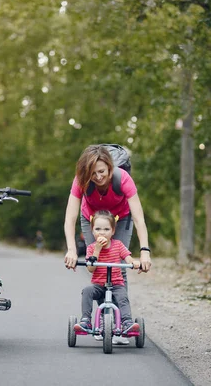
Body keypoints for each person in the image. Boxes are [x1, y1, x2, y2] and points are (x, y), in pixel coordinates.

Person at [63, 144, 152, 344]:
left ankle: (121, 323)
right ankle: (103, 322)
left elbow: (139, 218)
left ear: (110, 168)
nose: (98, 177)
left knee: (118, 266)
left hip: (120, 218)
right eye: (93, 174)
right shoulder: (82, 180)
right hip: (92, 219)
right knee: (96, 264)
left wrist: (144, 251)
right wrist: (71, 250)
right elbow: (70, 217)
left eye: (102, 172)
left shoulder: (122, 179)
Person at [74, 210, 140, 335]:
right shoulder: (91, 247)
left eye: (106, 229)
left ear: (113, 231)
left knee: (123, 296)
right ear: (92, 231)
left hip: (116, 284)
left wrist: (133, 262)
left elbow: (127, 257)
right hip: (98, 285)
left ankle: (127, 322)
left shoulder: (118, 245)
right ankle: (86, 320)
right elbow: (90, 268)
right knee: (87, 291)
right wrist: (97, 250)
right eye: (98, 229)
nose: (102, 232)